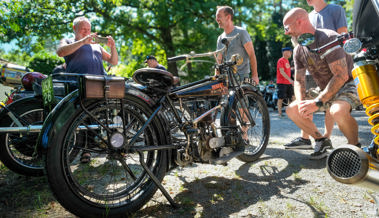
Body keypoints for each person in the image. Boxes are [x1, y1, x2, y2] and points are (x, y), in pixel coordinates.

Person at [283, 8, 361, 159]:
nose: (286, 32)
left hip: (348, 85)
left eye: (287, 27)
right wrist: (301, 103)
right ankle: (321, 140)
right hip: (324, 88)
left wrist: (318, 102)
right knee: (293, 109)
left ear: (299, 21)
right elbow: (299, 80)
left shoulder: (328, 37)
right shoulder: (298, 49)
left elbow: (341, 75)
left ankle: (355, 149)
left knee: (337, 111)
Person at [56, 16, 119, 163]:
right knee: (81, 118)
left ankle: (104, 147)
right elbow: (60, 52)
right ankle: (84, 150)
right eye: (83, 29)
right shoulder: (68, 41)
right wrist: (82, 42)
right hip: (77, 85)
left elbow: (113, 61)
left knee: (99, 117)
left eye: (89, 29)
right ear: (74, 29)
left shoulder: (96, 45)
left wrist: (113, 46)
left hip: (99, 85)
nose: (87, 32)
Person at [215, 5, 259, 85]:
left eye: (219, 16)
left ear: (228, 17)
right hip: (227, 79)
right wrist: (216, 79)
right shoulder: (220, 38)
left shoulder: (241, 33)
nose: (216, 19)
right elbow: (219, 60)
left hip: (243, 78)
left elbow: (252, 55)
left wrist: (255, 76)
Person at [276, 47, 294, 117]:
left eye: (291, 52)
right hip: (281, 82)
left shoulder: (287, 61)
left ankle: (290, 113)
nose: (291, 53)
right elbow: (281, 71)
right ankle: (279, 113)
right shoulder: (281, 60)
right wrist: (290, 79)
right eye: (290, 52)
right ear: (284, 52)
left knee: (291, 97)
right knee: (281, 98)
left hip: (288, 83)